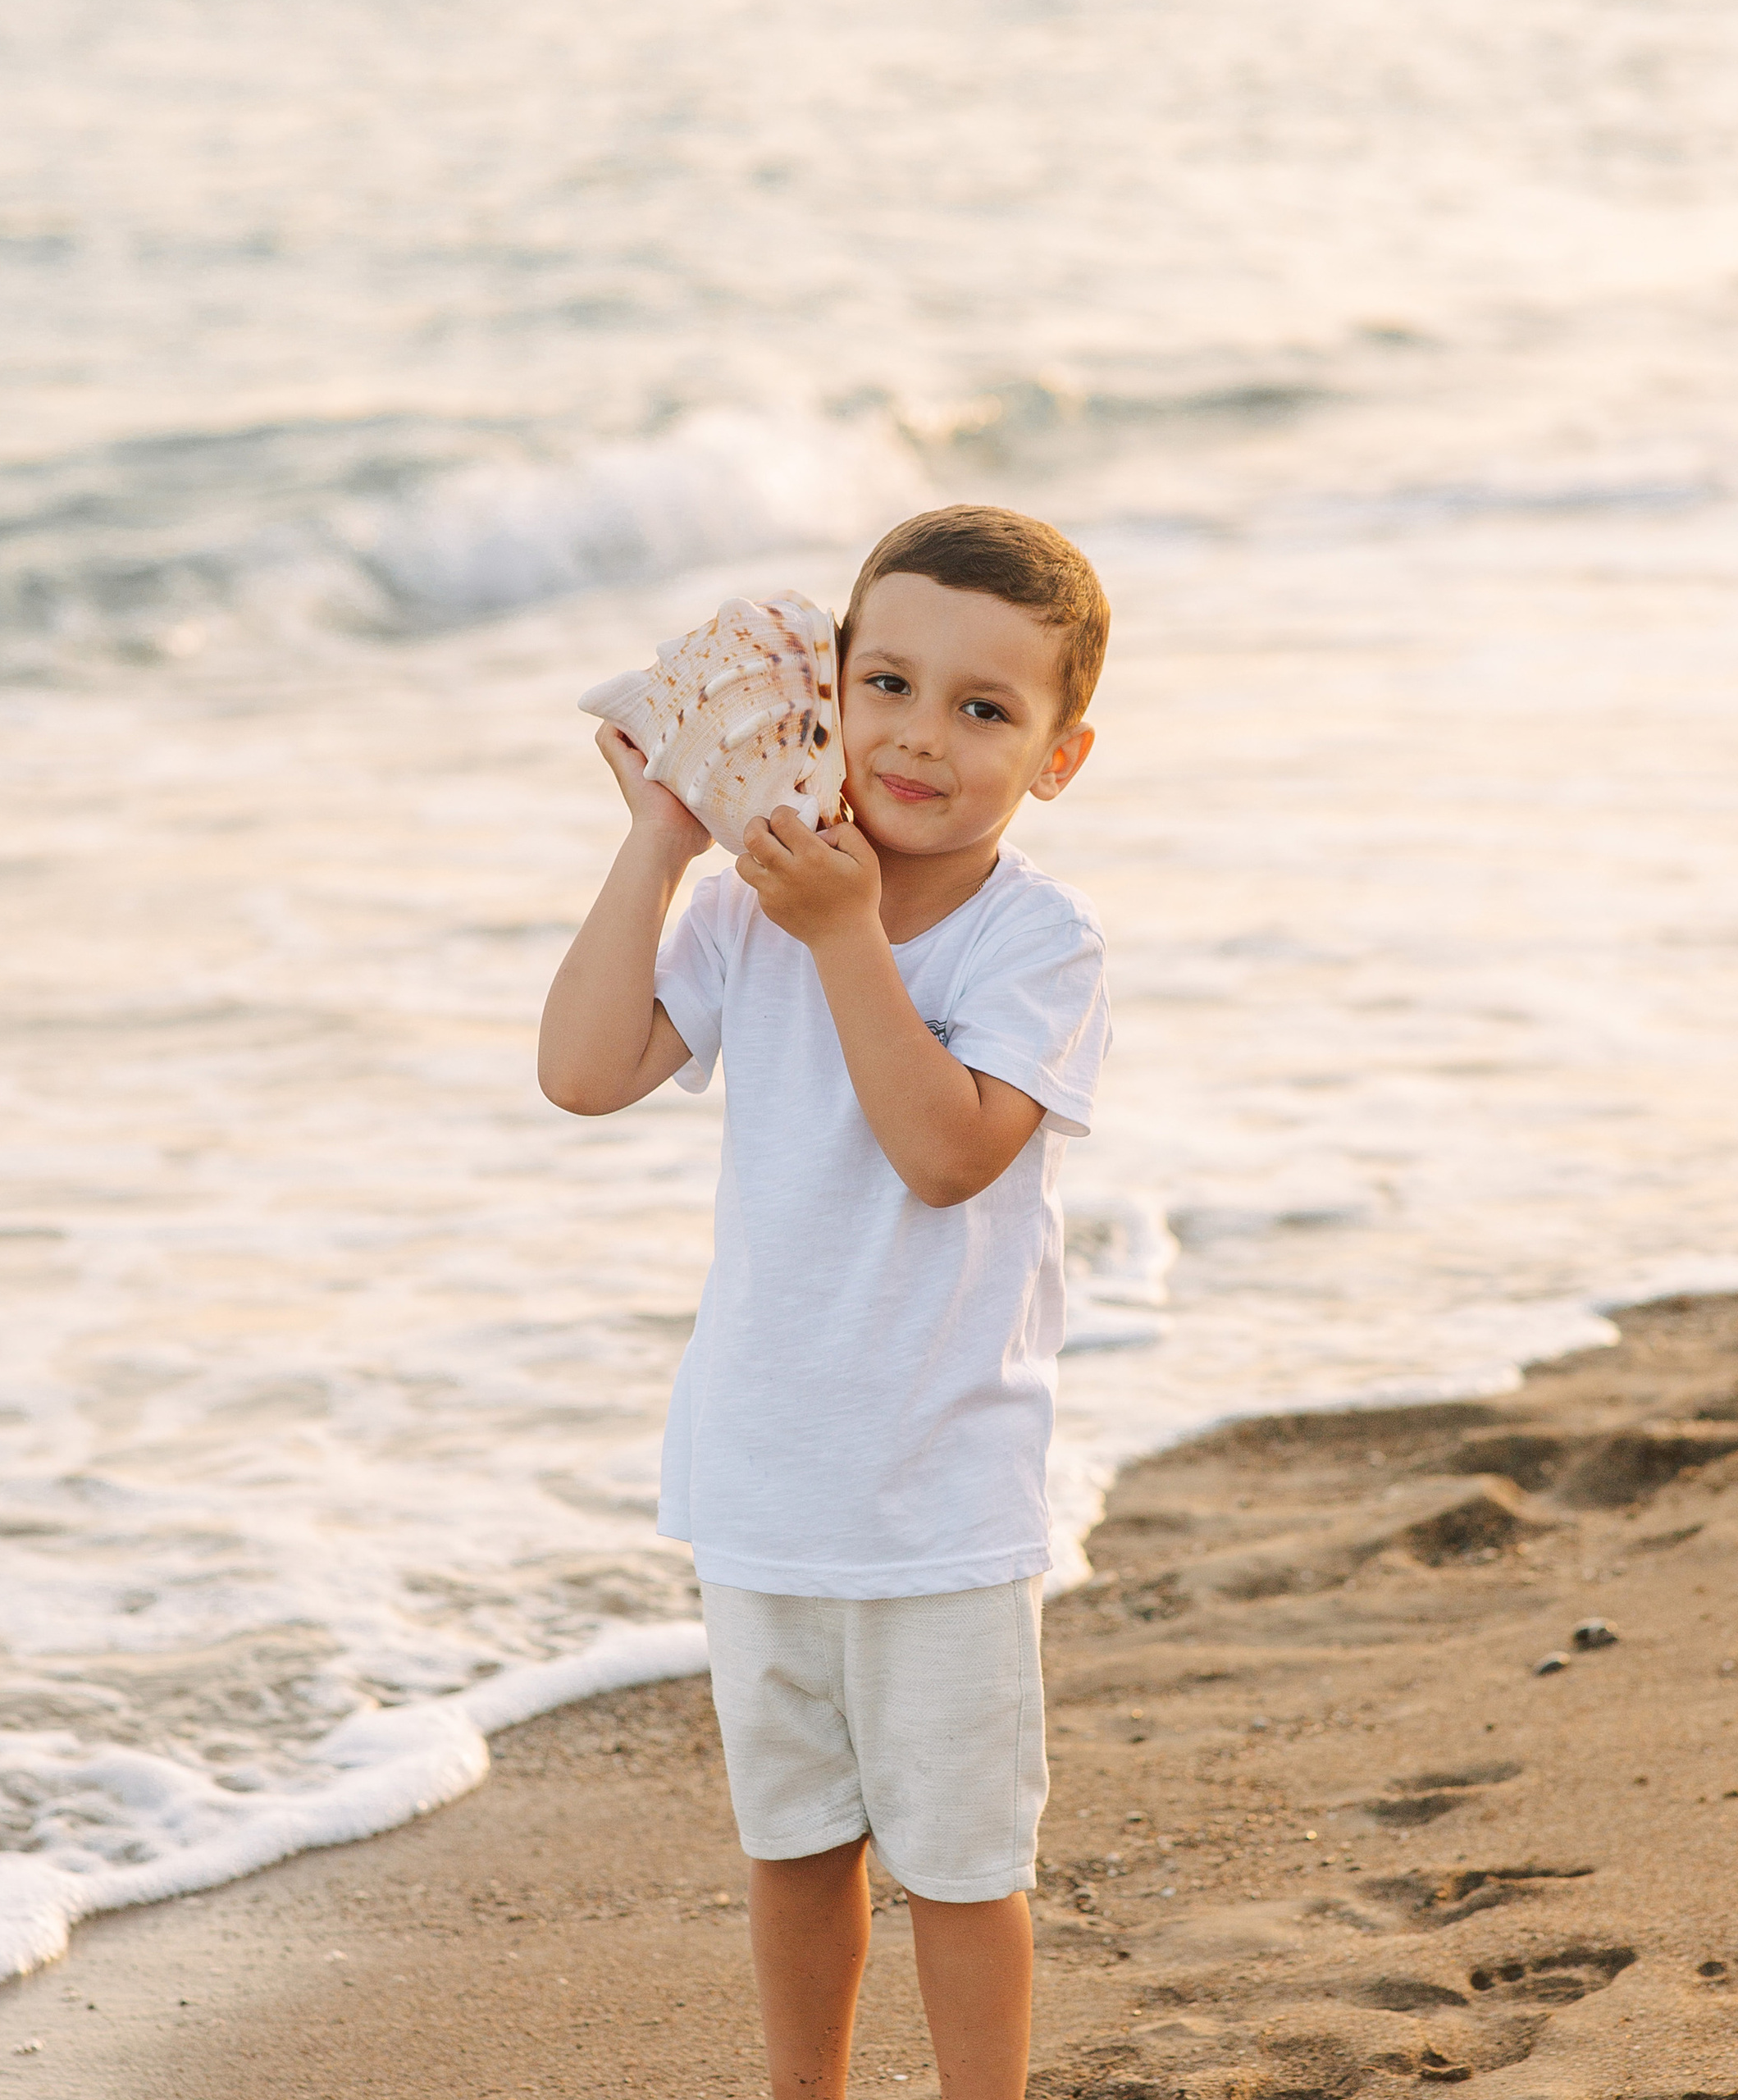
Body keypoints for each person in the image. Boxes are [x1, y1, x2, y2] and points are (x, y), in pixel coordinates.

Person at [538, 504, 1111, 2100]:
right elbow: (579, 1073)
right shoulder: (743, 911)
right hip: (764, 1482)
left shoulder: (1033, 940)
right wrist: (662, 839)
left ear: (1057, 756)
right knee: (791, 1844)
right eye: (888, 686)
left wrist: (845, 929)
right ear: (830, 693)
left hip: (935, 1496)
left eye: (984, 709)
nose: (920, 737)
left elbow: (945, 1153)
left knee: (956, 1861)